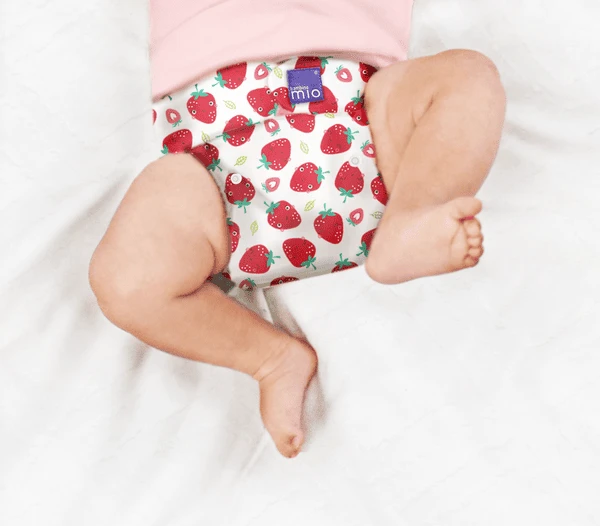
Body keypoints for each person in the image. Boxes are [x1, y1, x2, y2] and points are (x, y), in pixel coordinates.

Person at [89, 0, 506, 459]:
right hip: (218, 165)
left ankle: (414, 214)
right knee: (126, 280)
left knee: (470, 74)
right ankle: (269, 357)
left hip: (366, 114)